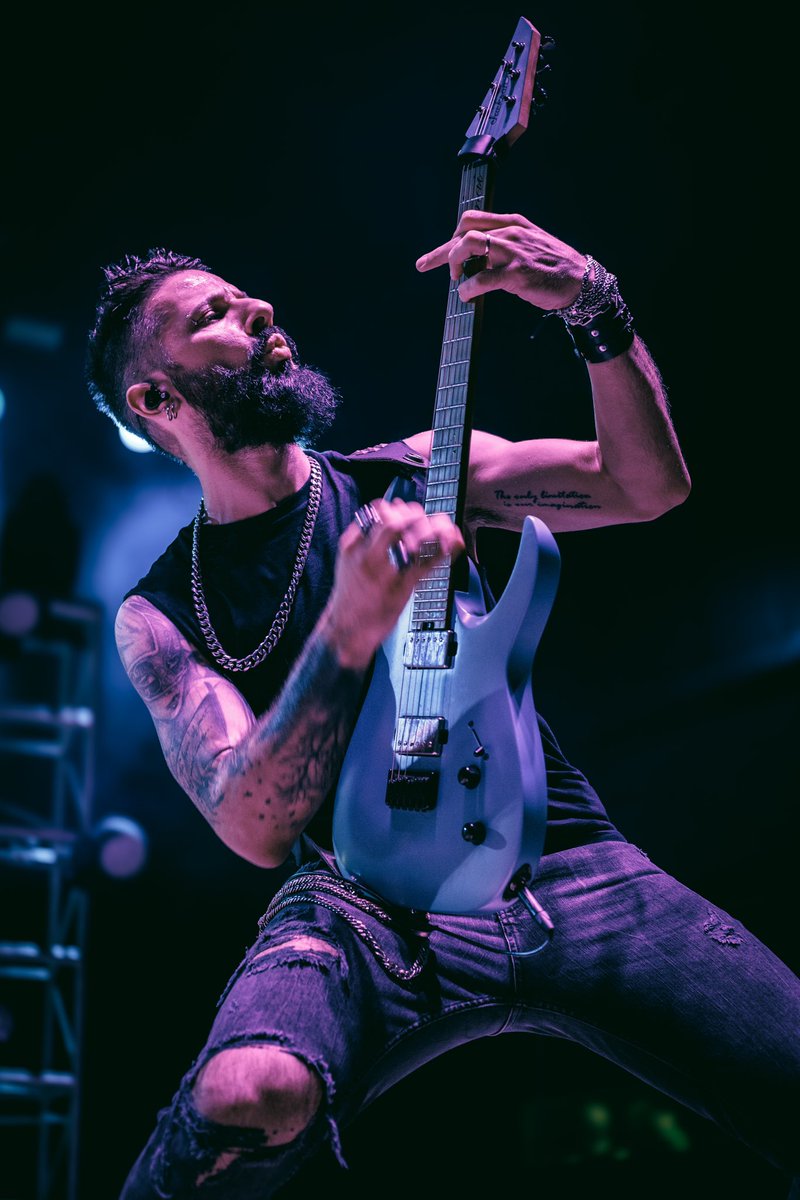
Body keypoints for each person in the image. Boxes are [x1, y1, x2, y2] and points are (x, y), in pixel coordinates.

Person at [85, 209, 799, 1199]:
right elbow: (252, 825)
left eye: (247, 297)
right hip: (359, 899)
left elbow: (641, 485)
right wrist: (347, 626)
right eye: (215, 312)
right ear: (155, 396)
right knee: (245, 1092)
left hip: (568, 864)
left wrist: (594, 306)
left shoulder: (420, 470)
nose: (258, 308)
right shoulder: (160, 616)